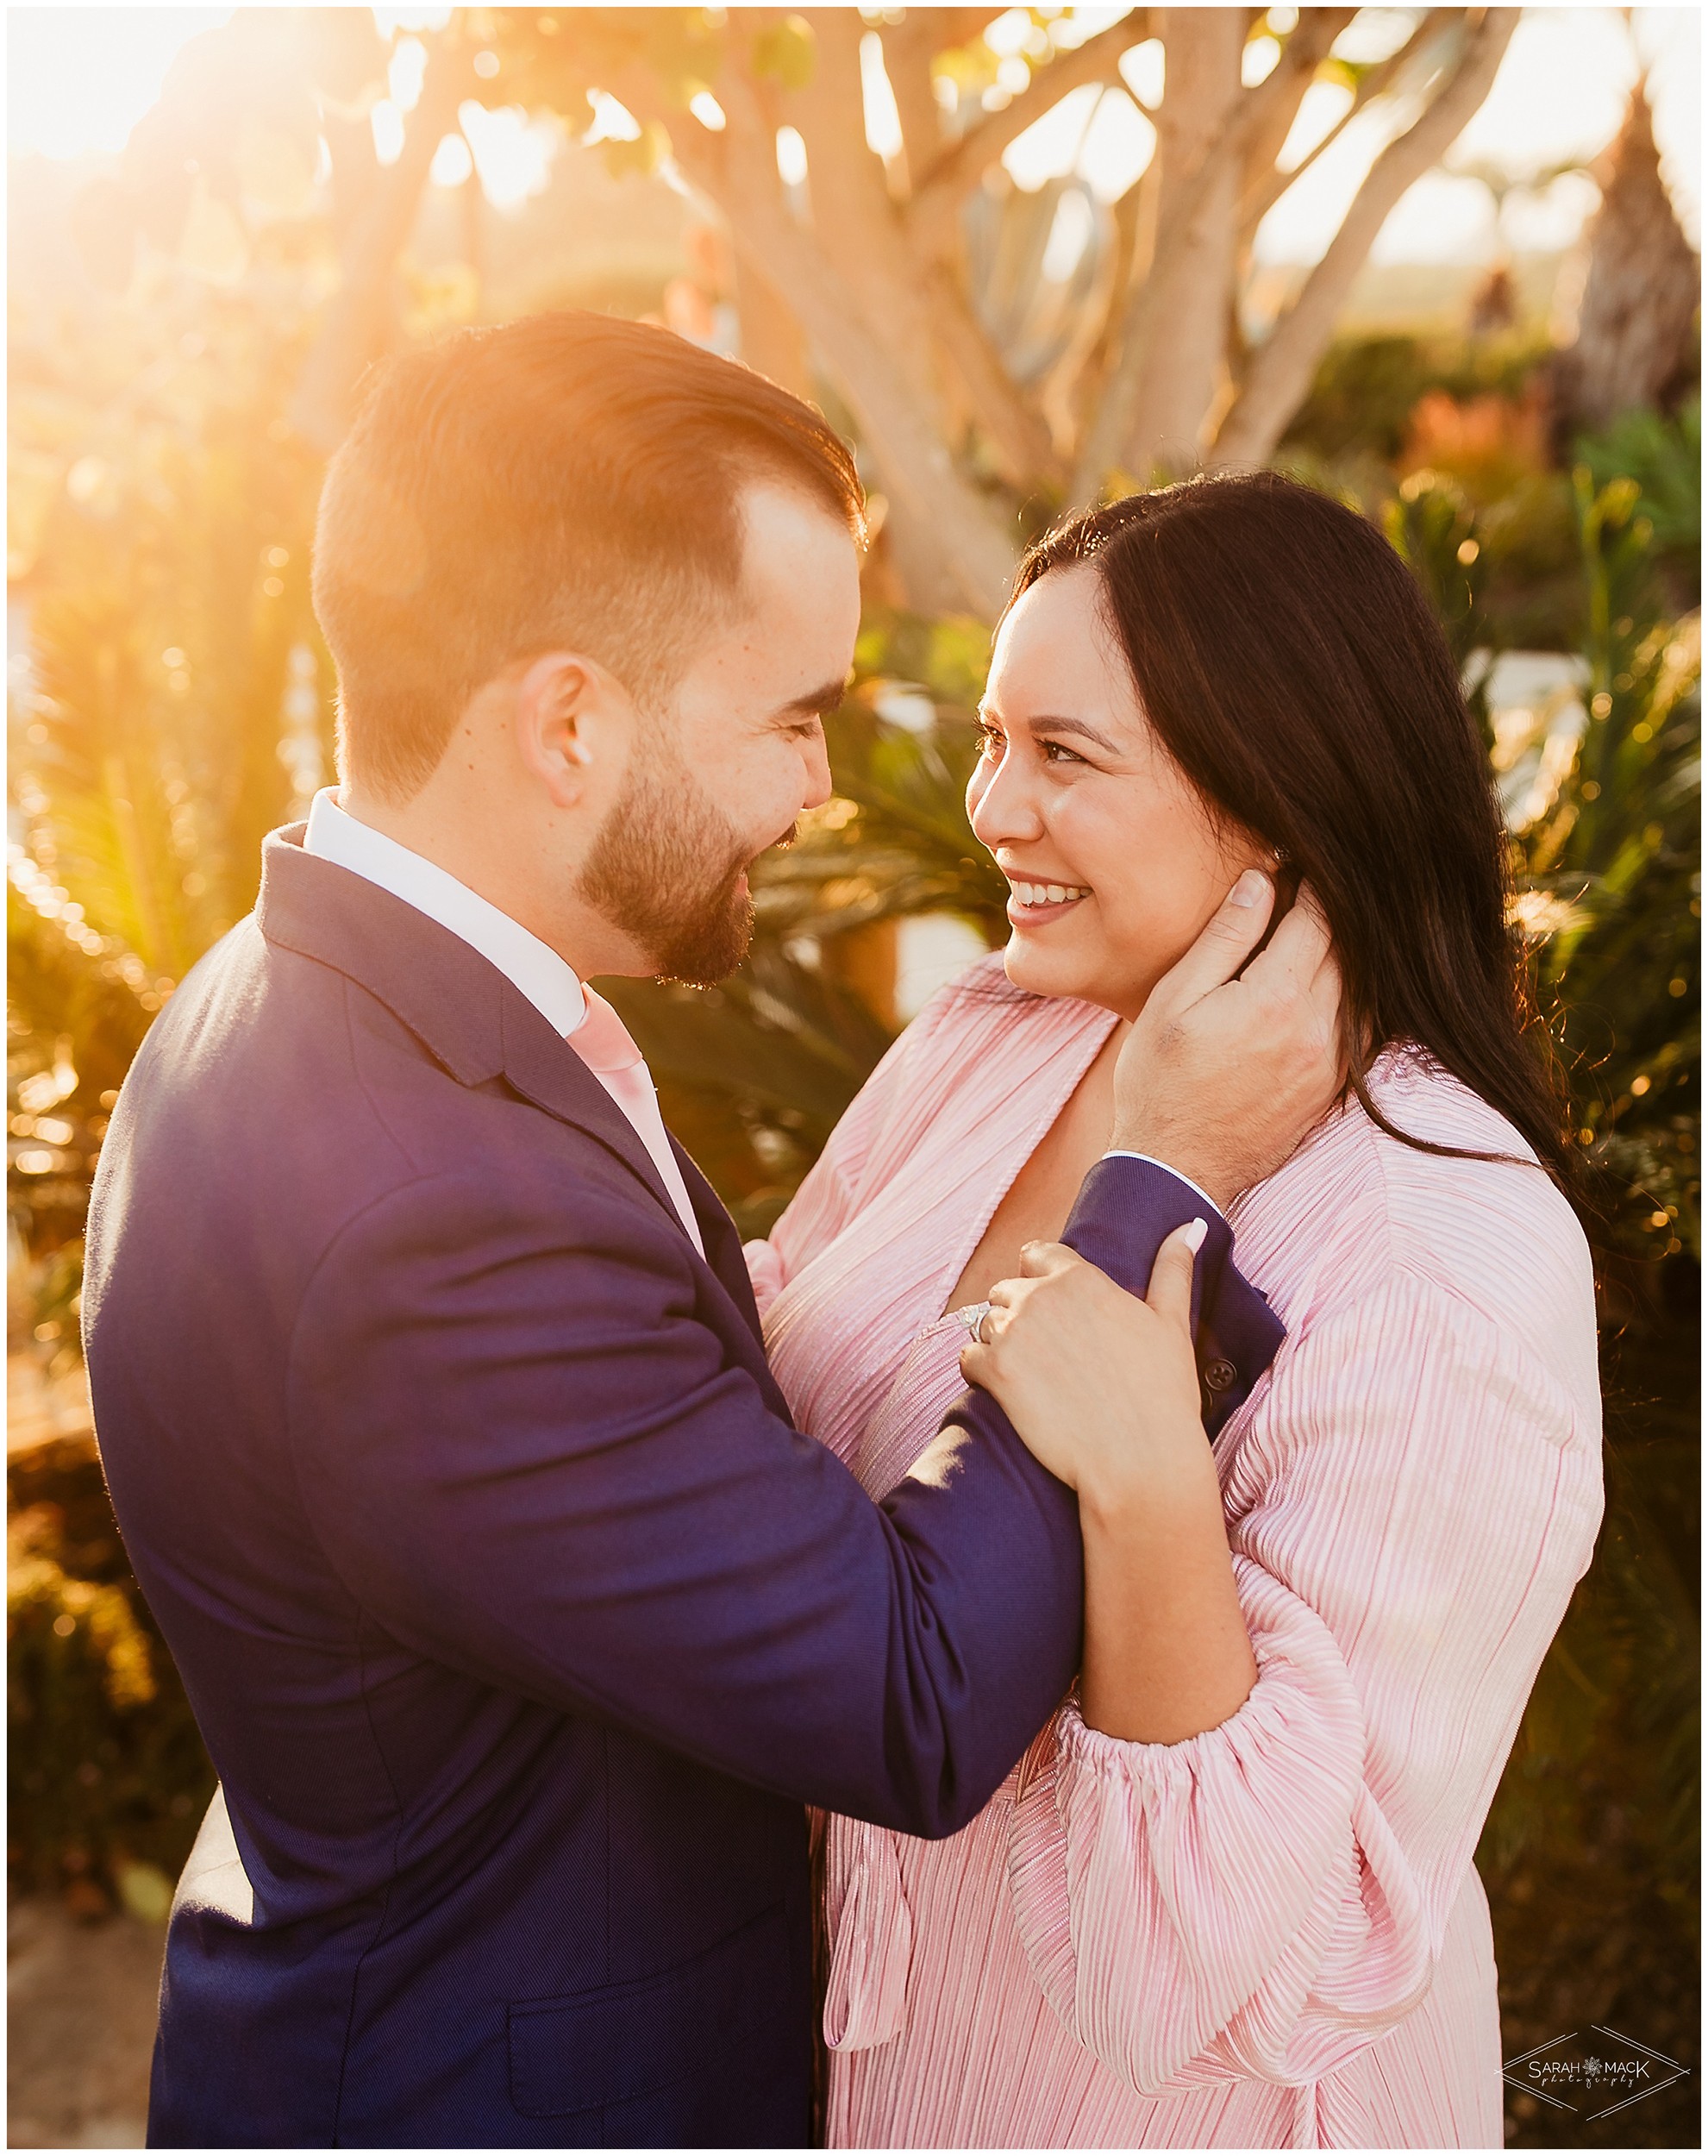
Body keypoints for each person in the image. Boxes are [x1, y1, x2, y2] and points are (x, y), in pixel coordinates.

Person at [80, 317, 1341, 2149]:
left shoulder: (315, 995)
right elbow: (914, 1696)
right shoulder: (429, 1207)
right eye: (788, 715)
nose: (820, 786)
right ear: (569, 719)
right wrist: (1164, 1170)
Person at [748, 472, 1604, 2148]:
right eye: (993, 736)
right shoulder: (992, 1031)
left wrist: (1144, 1486)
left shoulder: (1444, 1259)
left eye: (1064, 754)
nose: (992, 807)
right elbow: (772, 1352)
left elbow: (1210, 1981)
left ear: (1279, 794)